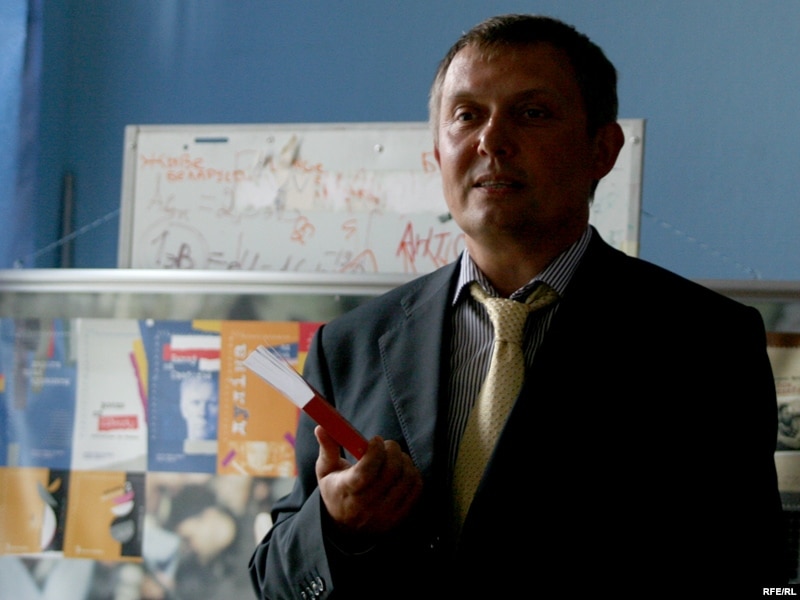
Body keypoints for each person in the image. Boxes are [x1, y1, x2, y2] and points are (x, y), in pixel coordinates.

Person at [249, 14, 787, 597]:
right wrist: (337, 525)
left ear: (602, 149)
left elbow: (753, 573)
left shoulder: (705, 341)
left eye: (532, 113)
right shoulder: (350, 345)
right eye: (466, 115)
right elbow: (276, 579)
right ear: (438, 154)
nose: (491, 141)